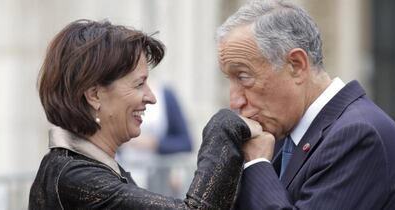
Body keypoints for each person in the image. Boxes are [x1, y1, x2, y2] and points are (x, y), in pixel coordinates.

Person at [28, 19, 265, 209]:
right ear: (94, 95)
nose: (151, 97)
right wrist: (227, 125)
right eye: (139, 84)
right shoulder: (75, 178)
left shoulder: (79, 167)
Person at [216, 0, 395, 209]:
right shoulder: (280, 132)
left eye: (243, 76)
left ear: (296, 65)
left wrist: (257, 163)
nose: (235, 101)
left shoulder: (359, 134)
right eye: (229, 79)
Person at [117, 80, 193, 197]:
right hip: (123, 178)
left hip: (157, 180)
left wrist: (154, 143)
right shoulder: (117, 95)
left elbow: (186, 142)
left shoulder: (165, 95)